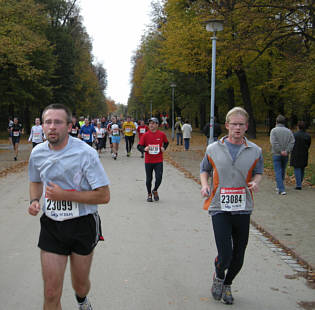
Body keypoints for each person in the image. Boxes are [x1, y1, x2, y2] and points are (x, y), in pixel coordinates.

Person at [28, 103, 110, 310]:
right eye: (48, 122)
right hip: (52, 225)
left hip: (83, 225)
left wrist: (66, 195)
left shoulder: (86, 153)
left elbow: (104, 195)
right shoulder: (37, 153)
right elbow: (35, 180)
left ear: (69, 126)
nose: (52, 127)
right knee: (50, 292)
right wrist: (34, 200)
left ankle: (82, 299)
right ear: (42, 126)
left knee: (80, 285)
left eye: (58, 122)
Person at [200, 107, 263, 305]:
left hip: (243, 207)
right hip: (219, 206)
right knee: (225, 253)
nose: (237, 127)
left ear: (246, 126)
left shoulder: (255, 151)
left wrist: (256, 182)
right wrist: (205, 184)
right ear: (227, 126)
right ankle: (219, 276)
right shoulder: (213, 149)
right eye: (234, 124)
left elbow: (259, 172)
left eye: (241, 124)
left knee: (239, 255)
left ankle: (227, 284)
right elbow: (204, 169)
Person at [137, 117, 169, 202]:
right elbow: (139, 146)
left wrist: (164, 148)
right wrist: (144, 149)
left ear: (157, 125)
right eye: (150, 123)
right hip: (148, 160)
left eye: (153, 123)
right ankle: (149, 194)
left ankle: (155, 190)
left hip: (158, 160)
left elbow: (166, 143)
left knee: (159, 178)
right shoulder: (145, 135)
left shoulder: (161, 134)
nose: (151, 125)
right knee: (149, 178)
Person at [270, 114, 295, 195]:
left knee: (278, 171)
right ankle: (279, 186)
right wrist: (287, 151)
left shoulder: (273, 130)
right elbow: (292, 142)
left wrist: (280, 151)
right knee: (282, 171)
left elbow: (273, 142)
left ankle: (281, 188)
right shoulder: (289, 131)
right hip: (286, 154)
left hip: (276, 154)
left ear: (276, 122)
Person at [290, 121, 311, 190]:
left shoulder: (294, 135)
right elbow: (308, 145)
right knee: (302, 168)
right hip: (304, 153)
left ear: (298, 127)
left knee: (297, 168)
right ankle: (300, 182)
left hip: (296, 153)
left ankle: (298, 184)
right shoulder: (308, 135)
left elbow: (291, 143)